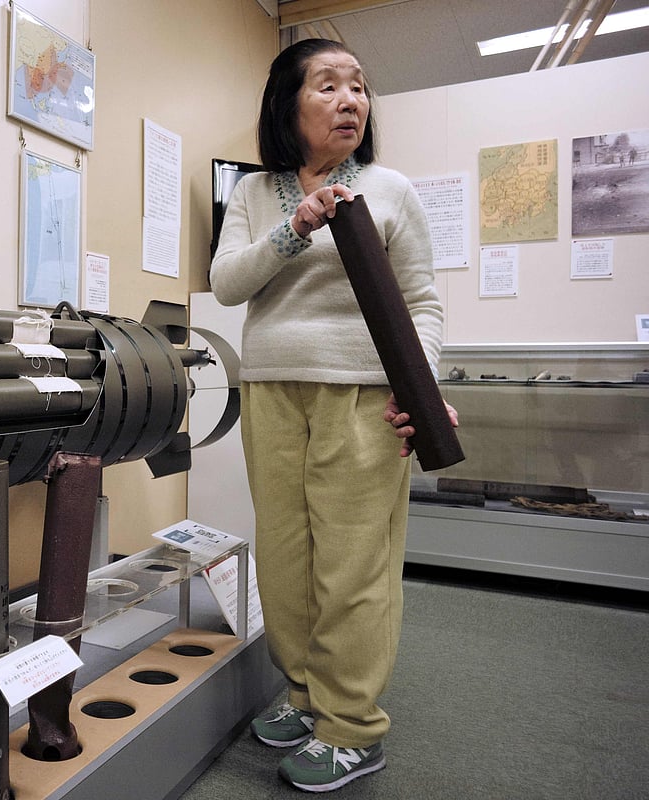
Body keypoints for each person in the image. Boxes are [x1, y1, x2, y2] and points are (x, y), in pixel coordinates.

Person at [209, 38, 458, 792]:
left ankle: (352, 727)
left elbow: (422, 303)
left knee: (354, 567)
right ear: (287, 106)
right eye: (327, 86)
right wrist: (296, 227)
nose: (350, 100)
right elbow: (227, 284)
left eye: (358, 87)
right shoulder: (255, 193)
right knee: (287, 564)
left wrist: (422, 386)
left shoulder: (390, 189)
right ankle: (306, 696)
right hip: (271, 392)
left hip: (364, 397)